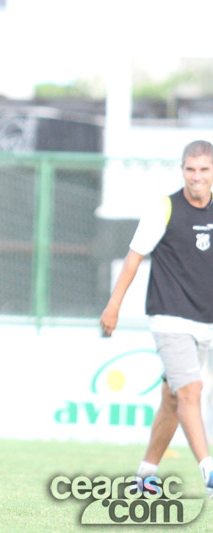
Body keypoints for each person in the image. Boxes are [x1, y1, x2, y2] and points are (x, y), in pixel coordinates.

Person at [101, 140, 213, 495]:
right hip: (169, 318)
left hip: (206, 320)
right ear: (182, 170)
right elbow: (134, 258)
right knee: (191, 391)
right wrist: (113, 305)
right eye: (190, 169)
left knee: (172, 397)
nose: (196, 177)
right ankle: (210, 472)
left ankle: (145, 474)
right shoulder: (164, 209)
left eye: (204, 170)